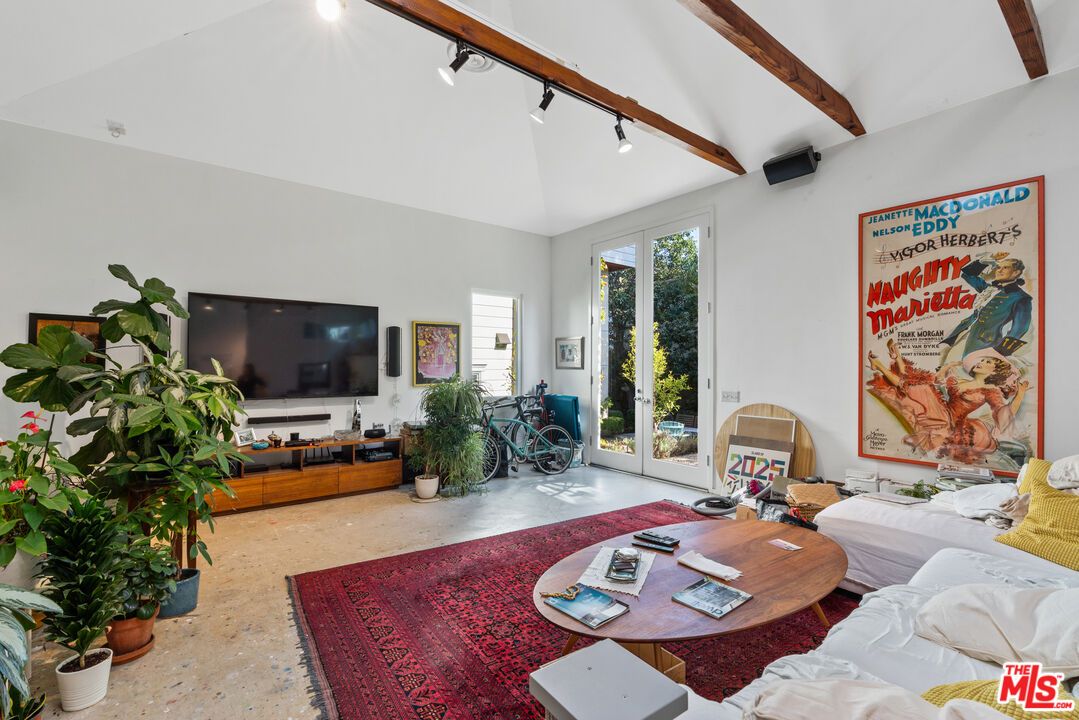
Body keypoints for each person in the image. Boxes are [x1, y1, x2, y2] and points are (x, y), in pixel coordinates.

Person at [938, 252, 1031, 367]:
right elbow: (967, 274)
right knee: (942, 358)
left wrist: (999, 352)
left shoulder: (1021, 297)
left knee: (957, 370)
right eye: (998, 267)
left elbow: (1020, 328)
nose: (999, 270)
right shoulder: (989, 289)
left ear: (1016, 272)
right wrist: (987, 260)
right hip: (962, 331)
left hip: (984, 342)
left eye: (1005, 267)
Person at [935, 356, 1029, 465]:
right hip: (941, 416)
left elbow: (1003, 413)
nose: (980, 362)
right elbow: (937, 381)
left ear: (994, 371)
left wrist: (1020, 394)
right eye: (981, 360)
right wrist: (949, 366)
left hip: (958, 427)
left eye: (987, 362)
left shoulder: (990, 391)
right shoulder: (961, 381)